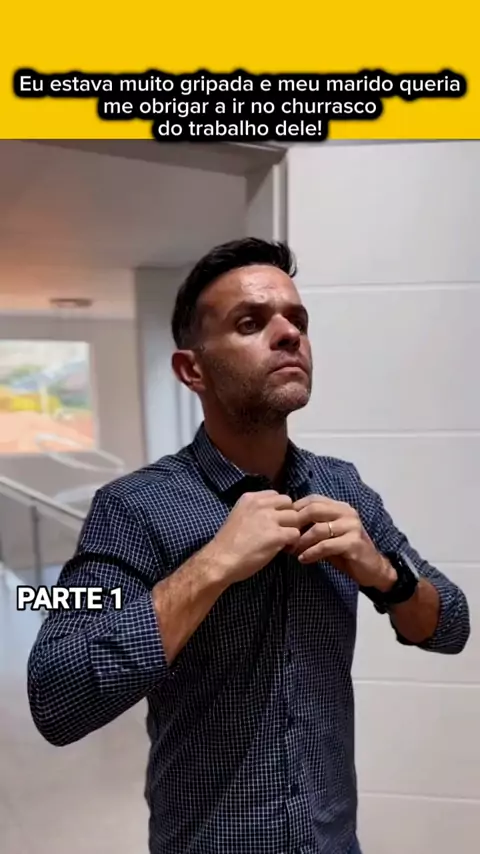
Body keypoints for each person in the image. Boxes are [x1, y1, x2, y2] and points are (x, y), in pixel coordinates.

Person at [27, 237, 470, 854]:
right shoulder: (130, 509)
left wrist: (385, 574)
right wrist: (211, 567)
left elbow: (451, 626)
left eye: (298, 321)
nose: (289, 335)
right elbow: (56, 693)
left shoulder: (344, 490)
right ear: (192, 370)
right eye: (250, 323)